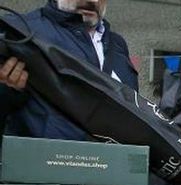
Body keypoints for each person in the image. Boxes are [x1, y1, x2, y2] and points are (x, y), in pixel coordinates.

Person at [0, 0, 138, 141]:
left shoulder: (117, 44)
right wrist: (7, 90)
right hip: (44, 159)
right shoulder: (20, 30)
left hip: (112, 160)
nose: (93, 1)